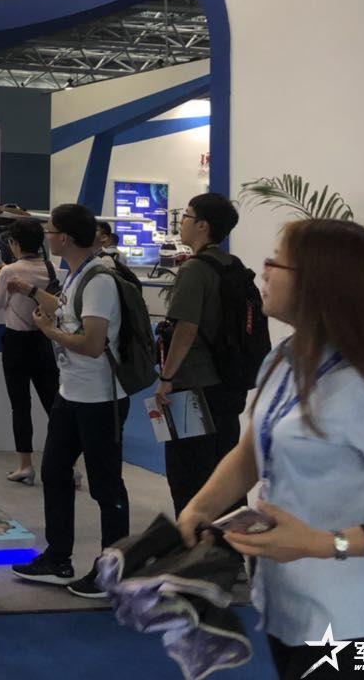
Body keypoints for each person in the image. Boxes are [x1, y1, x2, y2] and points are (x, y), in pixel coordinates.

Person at [178, 219, 364, 680]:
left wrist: (320, 544)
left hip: (357, 625)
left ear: (319, 282)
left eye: (276, 262)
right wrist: (201, 507)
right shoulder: (285, 358)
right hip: (290, 606)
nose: (264, 270)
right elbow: (251, 451)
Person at [11, 203, 130, 599]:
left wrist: (50, 334)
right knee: (55, 472)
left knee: (106, 487)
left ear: (63, 237)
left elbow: (93, 344)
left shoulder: (99, 281)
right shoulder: (76, 275)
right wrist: (33, 294)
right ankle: (58, 557)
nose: (46, 237)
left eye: (50, 231)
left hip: (100, 399)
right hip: (71, 393)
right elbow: (66, 310)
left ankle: (112, 571)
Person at [153, 192, 250, 516]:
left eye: (186, 216)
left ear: (203, 225)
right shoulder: (232, 266)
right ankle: (229, 543)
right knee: (224, 474)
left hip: (192, 387)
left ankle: (193, 542)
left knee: (187, 475)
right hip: (227, 383)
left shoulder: (194, 270)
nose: (181, 222)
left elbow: (186, 329)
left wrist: (167, 377)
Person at [0, 217, 60, 485]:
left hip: (16, 343)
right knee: (53, 404)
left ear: (14, 243)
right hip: (43, 339)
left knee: (20, 405)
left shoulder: (9, 271)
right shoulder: (50, 268)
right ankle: (69, 464)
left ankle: (25, 465)